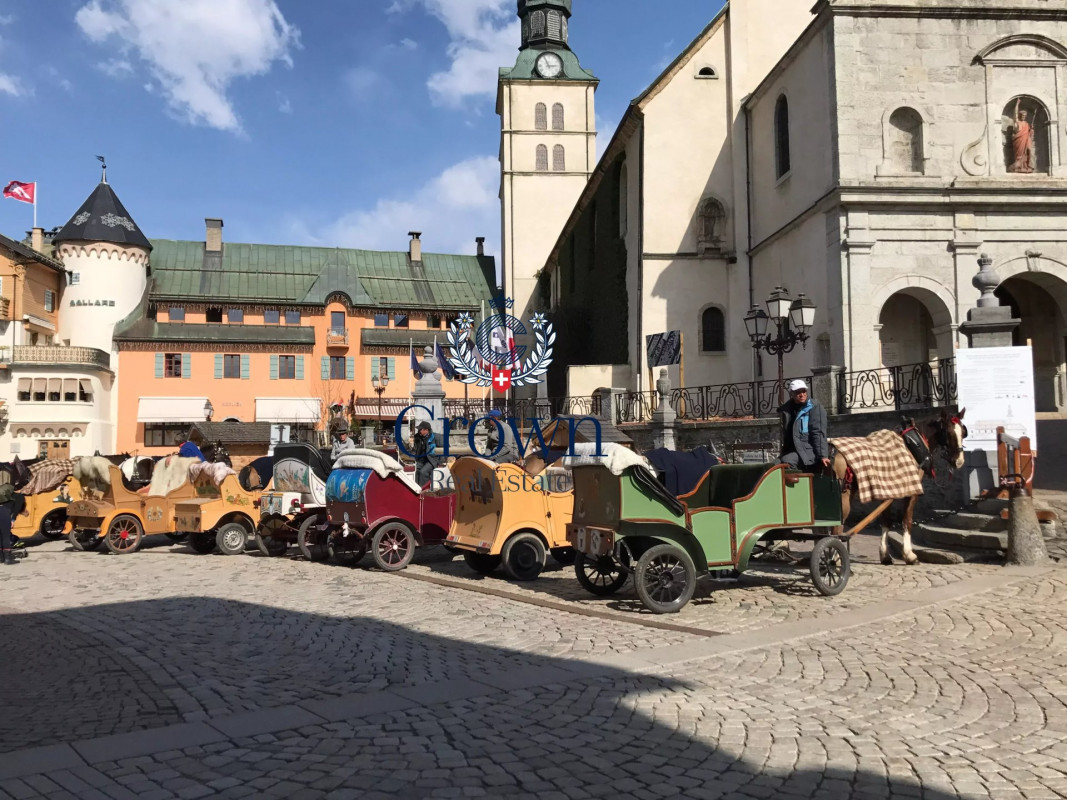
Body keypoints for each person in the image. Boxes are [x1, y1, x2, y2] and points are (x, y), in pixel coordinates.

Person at [778, 379, 829, 472]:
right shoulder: (786, 410)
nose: (802, 395)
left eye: (804, 391)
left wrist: (823, 456)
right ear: (791, 393)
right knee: (772, 466)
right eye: (798, 392)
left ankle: (800, 481)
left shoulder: (814, 407)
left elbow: (818, 433)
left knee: (787, 462)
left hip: (808, 451)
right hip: (791, 451)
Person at [0, 484, 25, 566]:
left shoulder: (3, 497)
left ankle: (1, 558)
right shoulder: (19, 496)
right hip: (4, 515)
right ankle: (8, 559)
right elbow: (17, 509)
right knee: (6, 537)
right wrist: (13, 520)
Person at [412, 422, 440, 487]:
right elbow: (414, 450)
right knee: (416, 470)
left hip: (432, 460)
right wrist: (411, 459)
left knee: (423, 472)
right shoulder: (417, 437)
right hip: (420, 460)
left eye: (420, 429)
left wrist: (441, 462)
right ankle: (416, 488)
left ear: (426, 430)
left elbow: (445, 449)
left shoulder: (436, 437)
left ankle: (424, 489)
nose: (418, 431)